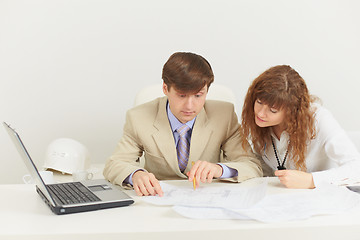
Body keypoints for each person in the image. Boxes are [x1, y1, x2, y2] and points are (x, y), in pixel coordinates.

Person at [103, 52, 262, 196]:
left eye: (199, 95)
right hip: (158, 200)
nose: (190, 106)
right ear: (165, 88)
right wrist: (135, 174)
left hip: (206, 198)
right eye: (181, 95)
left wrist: (219, 169)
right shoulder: (138, 117)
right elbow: (114, 164)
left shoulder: (224, 115)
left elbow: (251, 165)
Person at [240, 65, 360, 189]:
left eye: (273, 110)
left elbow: (357, 168)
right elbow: (264, 167)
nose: (260, 113)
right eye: (259, 102)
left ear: (291, 111)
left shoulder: (319, 120)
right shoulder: (261, 123)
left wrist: (312, 180)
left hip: (320, 199)